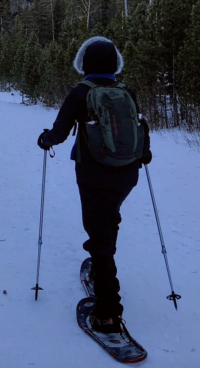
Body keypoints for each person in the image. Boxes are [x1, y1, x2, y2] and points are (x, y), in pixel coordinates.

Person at [37, 36, 151, 334]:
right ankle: (104, 253)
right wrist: (144, 154)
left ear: (85, 64)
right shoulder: (125, 91)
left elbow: (59, 133)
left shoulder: (80, 92)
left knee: (100, 239)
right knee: (108, 219)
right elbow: (141, 128)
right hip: (128, 174)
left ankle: (107, 315)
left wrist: (44, 140)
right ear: (115, 64)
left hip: (93, 176)